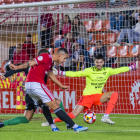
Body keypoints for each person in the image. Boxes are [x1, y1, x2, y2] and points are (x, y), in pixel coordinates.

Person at [8, 48, 88, 132]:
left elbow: (50, 74)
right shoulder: (46, 57)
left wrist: (60, 85)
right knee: (56, 105)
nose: (64, 61)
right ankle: (74, 126)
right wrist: (17, 67)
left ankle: (54, 127)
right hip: (36, 84)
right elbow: (30, 63)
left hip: (28, 86)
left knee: (44, 105)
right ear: (59, 55)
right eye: (64, 58)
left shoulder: (50, 62)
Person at [47, 54, 139, 126]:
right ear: (95, 62)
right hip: (87, 96)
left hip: (98, 96)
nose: (99, 64)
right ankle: (52, 121)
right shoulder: (89, 70)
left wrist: (132, 67)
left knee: (114, 94)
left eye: (100, 62)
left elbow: (119, 70)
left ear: (103, 62)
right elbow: (76, 74)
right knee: (73, 115)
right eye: (97, 62)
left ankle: (105, 117)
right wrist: (60, 72)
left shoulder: (107, 70)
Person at [0, 50, 60, 131]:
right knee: (54, 103)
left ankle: (2, 124)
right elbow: (17, 69)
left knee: (26, 118)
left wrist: (6, 75)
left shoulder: (34, 65)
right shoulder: (41, 65)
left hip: (30, 93)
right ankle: (61, 125)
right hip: (37, 91)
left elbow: (16, 70)